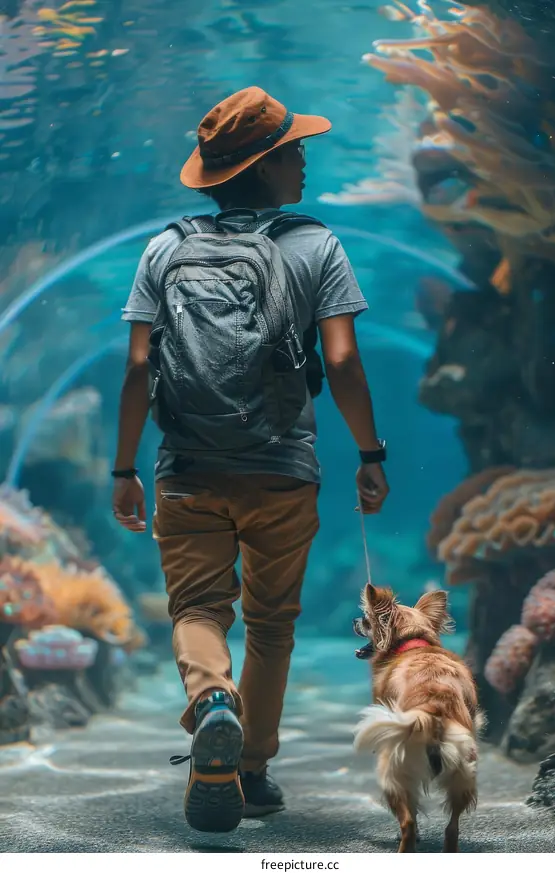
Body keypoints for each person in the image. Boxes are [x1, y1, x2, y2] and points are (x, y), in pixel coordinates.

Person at [112, 86, 390, 833]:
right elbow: (341, 361)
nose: (304, 158)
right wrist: (370, 451)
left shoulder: (163, 248)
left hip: (186, 469)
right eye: (293, 150)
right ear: (265, 166)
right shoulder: (316, 245)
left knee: (198, 608)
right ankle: (252, 769)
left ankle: (210, 701)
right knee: (271, 622)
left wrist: (122, 468)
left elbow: (138, 367)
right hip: (282, 470)